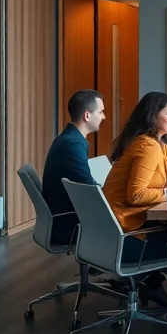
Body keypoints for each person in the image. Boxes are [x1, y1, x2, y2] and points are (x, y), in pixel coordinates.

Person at [102, 92, 167, 306]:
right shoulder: (148, 147)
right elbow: (136, 195)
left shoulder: (158, 145)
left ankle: (150, 284)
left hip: (114, 234)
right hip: (126, 238)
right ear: (153, 116)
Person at [41, 89, 105, 246]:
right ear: (87, 115)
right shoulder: (72, 145)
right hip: (70, 225)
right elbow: (90, 190)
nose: (104, 117)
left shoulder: (70, 139)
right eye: (101, 112)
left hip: (69, 218)